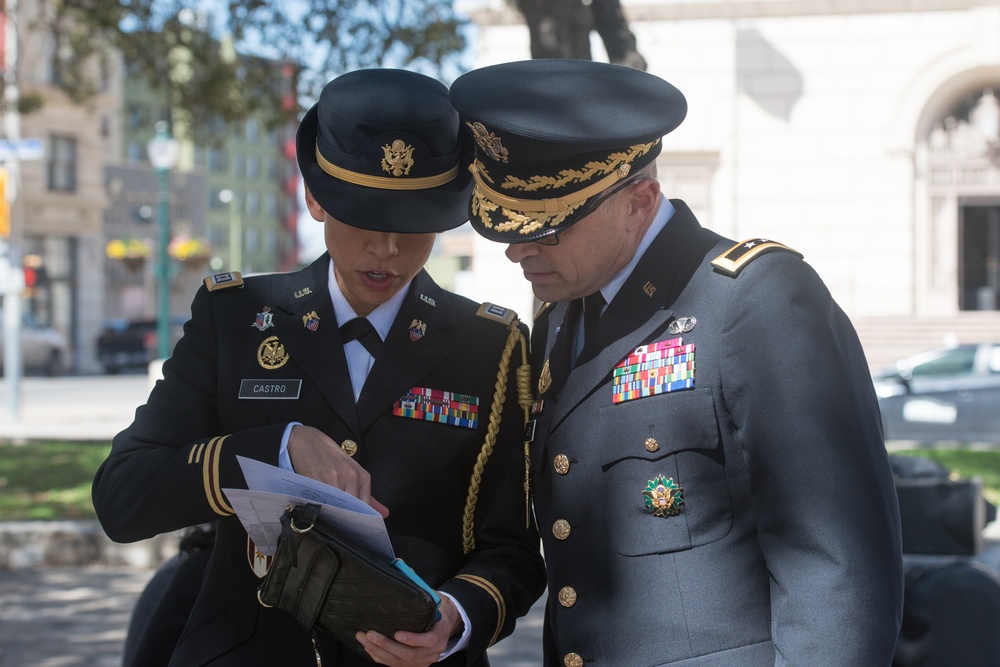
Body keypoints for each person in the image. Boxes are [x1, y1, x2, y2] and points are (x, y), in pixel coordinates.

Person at [449, 59, 904, 666]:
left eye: (547, 228)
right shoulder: (561, 317)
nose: (515, 249)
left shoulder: (755, 301)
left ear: (639, 201)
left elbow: (838, 567)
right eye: (506, 222)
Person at [93, 68, 545, 667]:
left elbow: (511, 548)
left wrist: (457, 616)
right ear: (314, 198)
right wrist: (276, 449)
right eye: (363, 214)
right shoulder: (238, 318)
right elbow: (123, 497)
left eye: (413, 223)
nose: (386, 247)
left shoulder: (491, 344)